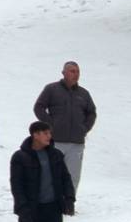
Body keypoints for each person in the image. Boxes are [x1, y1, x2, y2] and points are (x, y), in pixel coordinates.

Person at [34, 61, 97, 201]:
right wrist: (50, 125)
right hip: (56, 141)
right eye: (72, 71)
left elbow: (91, 113)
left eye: (77, 71)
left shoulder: (84, 94)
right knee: (53, 173)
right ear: (64, 73)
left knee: (73, 176)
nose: (76, 74)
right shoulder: (52, 89)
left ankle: (69, 202)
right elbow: (39, 107)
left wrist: (84, 128)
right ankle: (52, 201)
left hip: (76, 143)